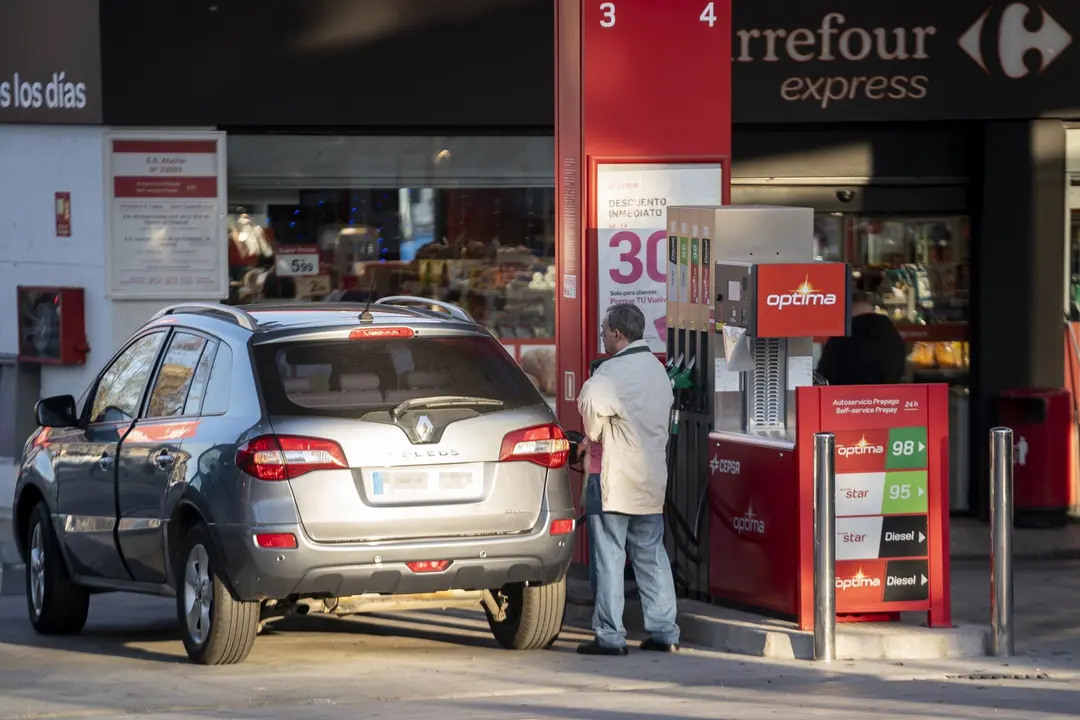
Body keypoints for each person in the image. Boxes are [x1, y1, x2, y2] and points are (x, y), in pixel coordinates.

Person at [576, 303, 680, 656]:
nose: (603, 336)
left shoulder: (608, 374)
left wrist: (597, 430)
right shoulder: (657, 371)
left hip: (613, 480)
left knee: (609, 558)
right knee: (651, 555)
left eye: (605, 330)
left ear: (617, 334)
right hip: (651, 479)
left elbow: (592, 420)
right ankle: (665, 631)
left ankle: (610, 635)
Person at [815, 292, 907, 385]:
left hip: (846, 398)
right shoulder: (893, 337)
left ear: (848, 310)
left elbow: (824, 377)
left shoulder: (842, 338)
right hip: (891, 398)